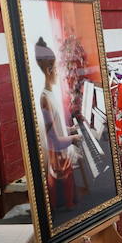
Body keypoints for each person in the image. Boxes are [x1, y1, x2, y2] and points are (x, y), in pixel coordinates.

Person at [35, 37, 80, 212]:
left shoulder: (50, 94)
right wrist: (74, 137)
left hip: (62, 153)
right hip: (58, 160)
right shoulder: (45, 98)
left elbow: (56, 128)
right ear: (49, 69)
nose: (59, 74)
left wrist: (71, 130)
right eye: (57, 70)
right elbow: (54, 139)